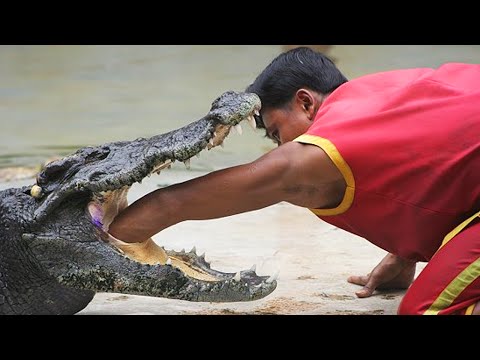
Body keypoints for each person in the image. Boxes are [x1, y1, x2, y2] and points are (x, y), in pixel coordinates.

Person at [108, 47, 480, 315]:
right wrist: (405, 252)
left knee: (427, 309)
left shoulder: (320, 148)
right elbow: (446, 158)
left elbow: (174, 203)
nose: (281, 145)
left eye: (275, 132)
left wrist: (100, 234)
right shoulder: (383, 91)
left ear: (305, 102)